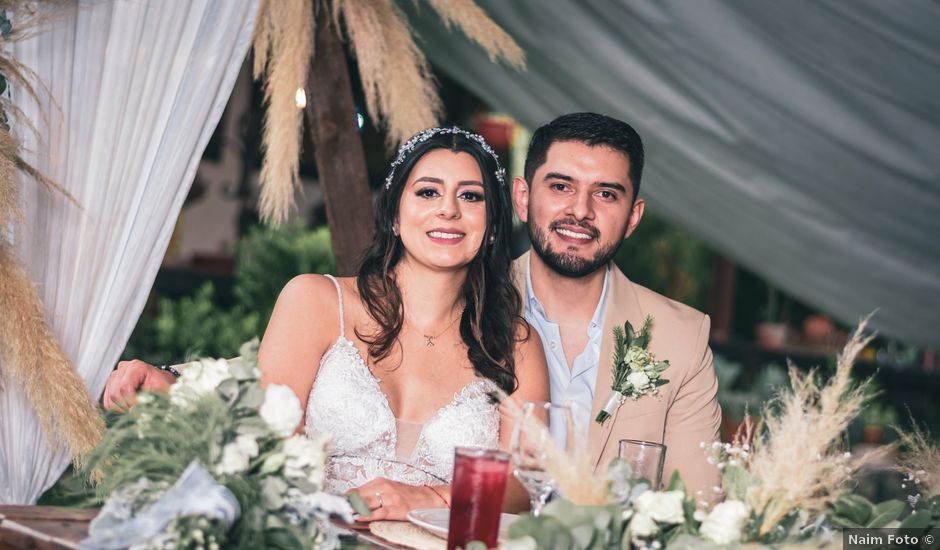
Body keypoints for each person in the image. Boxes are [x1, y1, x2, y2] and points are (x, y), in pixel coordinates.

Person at [104, 127, 549, 520]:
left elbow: (521, 489)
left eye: (470, 196)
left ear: (492, 224)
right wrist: (176, 388)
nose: (448, 210)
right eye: (428, 192)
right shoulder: (317, 301)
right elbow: (263, 431)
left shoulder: (516, 345)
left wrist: (424, 497)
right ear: (394, 214)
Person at [511, 112, 721, 494]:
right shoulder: (465, 305)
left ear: (632, 218)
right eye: (561, 187)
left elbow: (697, 501)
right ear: (523, 198)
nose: (580, 211)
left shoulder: (683, 336)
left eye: (606, 194)